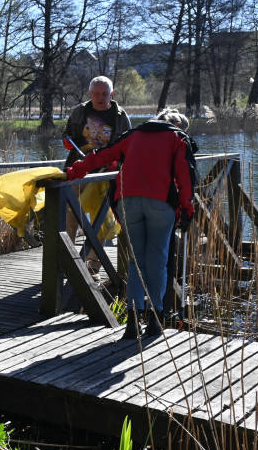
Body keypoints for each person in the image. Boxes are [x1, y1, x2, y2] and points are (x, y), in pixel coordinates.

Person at [66, 108, 195, 339]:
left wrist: (74, 172)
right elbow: (185, 176)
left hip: (128, 202)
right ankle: (155, 319)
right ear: (179, 126)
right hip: (160, 203)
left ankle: (133, 322)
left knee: (136, 261)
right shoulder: (178, 138)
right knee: (158, 260)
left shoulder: (133, 135)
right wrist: (187, 208)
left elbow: (101, 156)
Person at [62, 76, 132, 277]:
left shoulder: (121, 116)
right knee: (70, 216)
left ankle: (93, 266)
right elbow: (67, 134)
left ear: (112, 94)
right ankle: (67, 262)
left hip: (104, 175)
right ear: (90, 93)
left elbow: (129, 145)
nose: (101, 98)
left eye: (105, 94)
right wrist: (67, 141)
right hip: (77, 171)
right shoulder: (80, 111)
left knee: (100, 221)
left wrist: (118, 166)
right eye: (97, 93)